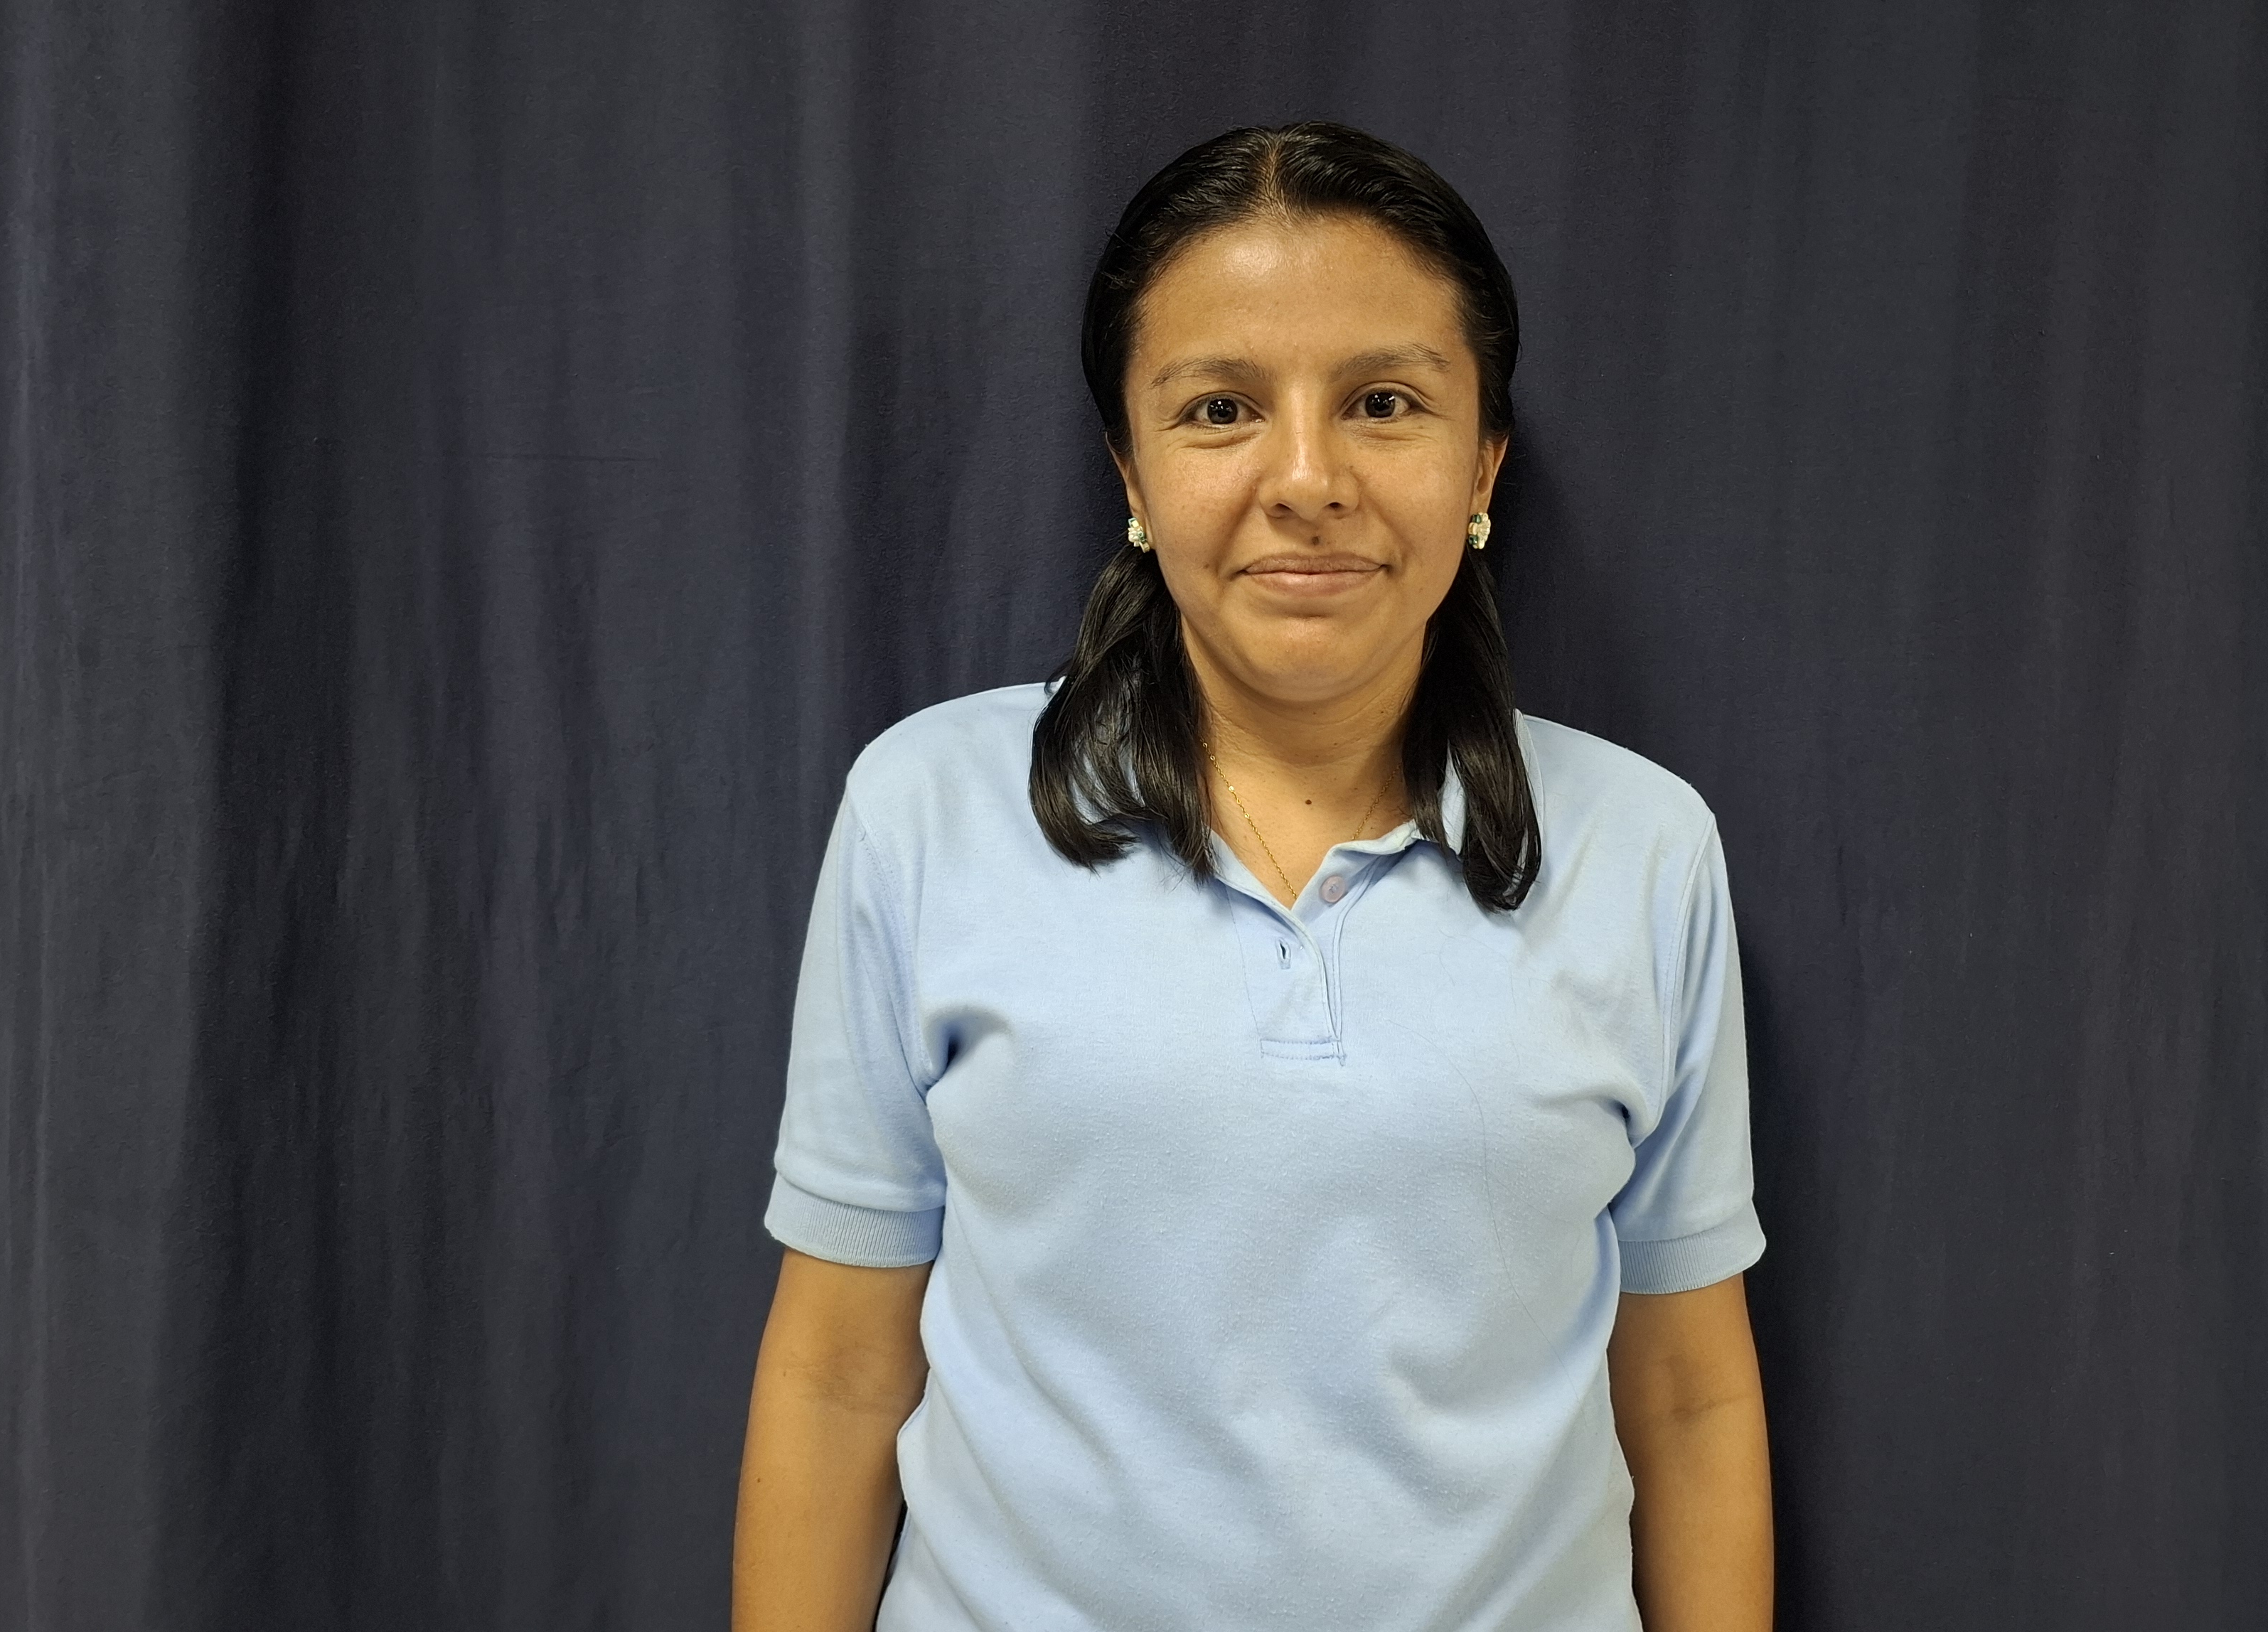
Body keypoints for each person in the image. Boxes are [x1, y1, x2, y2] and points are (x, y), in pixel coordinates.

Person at [735, 122, 1773, 1632]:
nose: (1307, 478)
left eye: (1383, 404)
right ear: (1131, 469)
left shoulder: (1645, 846)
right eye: (1221, 408)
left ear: (1483, 460)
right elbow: (837, 1369)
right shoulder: (928, 810)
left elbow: (1685, 1393)